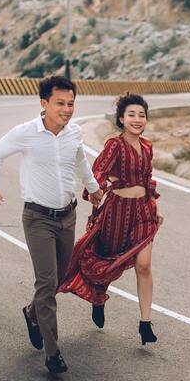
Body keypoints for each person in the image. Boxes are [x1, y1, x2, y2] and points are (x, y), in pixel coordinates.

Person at [0, 75, 103, 375]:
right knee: (47, 283)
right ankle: (53, 353)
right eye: (60, 103)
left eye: (71, 104)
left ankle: (32, 312)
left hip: (67, 216)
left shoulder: (73, 133)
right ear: (44, 103)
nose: (66, 109)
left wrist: (94, 188)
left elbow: (80, 162)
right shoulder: (26, 133)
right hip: (37, 219)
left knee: (59, 280)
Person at [59, 93, 162, 345]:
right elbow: (96, 174)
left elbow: (148, 179)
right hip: (116, 213)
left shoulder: (147, 146)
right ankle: (98, 298)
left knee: (144, 265)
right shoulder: (114, 145)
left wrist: (155, 208)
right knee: (106, 263)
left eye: (142, 115)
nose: (137, 119)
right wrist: (98, 190)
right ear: (121, 119)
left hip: (143, 212)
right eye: (132, 115)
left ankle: (145, 322)